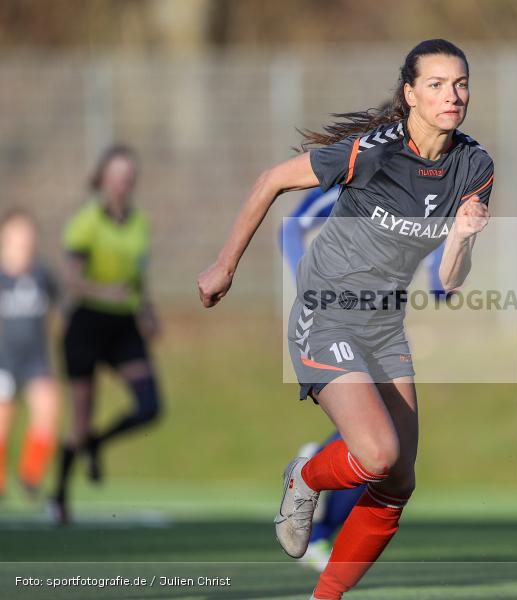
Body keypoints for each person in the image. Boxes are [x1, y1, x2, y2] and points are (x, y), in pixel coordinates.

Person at [198, 39, 493, 600]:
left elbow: (450, 279)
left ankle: (324, 597)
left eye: (460, 84)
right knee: (377, 454)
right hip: (326, 313)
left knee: (398, 480)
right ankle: (305, 476)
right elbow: (271, 180)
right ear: (410, 94)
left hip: (384, 326)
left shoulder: (474, 165)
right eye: (436, 84)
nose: (452, 95)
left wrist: (460, 237)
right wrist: (224, 265)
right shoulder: (374, 152)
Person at [280, 187, 453, 573]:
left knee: (387, 451)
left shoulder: (437, 200)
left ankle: (320, 489)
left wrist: (457, 250)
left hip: (383, 330)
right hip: (331, 323)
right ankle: (316, 507)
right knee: (376, 448)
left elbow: (441, 285)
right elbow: (291, 227)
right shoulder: (360, 182)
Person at [51, 145, 163, 524]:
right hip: (87, 324)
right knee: (79, 420)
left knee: (149, 406)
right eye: (115, 177)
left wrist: (147, 312)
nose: (121, 185)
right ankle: (59, 495)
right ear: (101, 179)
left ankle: (97, 443)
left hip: (123, 326)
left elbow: (138, 277)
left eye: (128, 178)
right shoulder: (87, 222)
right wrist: (105, 292)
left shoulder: (139, 222)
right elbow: (71, 279)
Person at [0, 209, 60, 501]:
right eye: (17, 234)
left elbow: (62, 302)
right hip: (3, 360)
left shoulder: (41, 275)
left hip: (36, 358)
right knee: (2, 423)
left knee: (48, 409)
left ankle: (30, 477)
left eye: (27, 235)